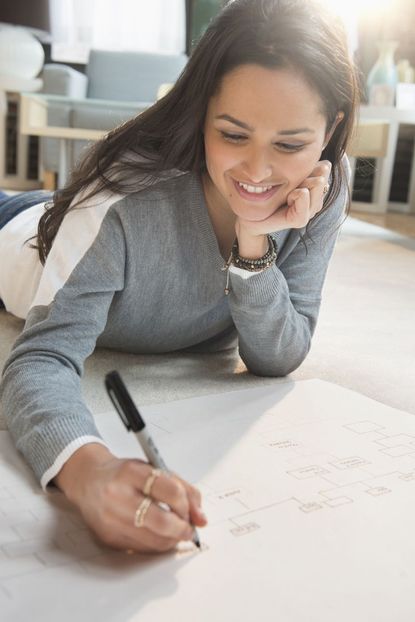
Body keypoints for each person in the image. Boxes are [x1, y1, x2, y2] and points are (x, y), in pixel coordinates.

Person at [0, 0, 359, 554]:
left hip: (69, 217)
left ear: (331, 128)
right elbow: (41, 357)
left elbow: (277, 356)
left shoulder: (323, 186)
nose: (259, 173)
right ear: (200, 112)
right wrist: (87, 469)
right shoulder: (120, 202)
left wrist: (253, 239)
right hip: (21, 236)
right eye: (233, 135)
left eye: (289, 144)